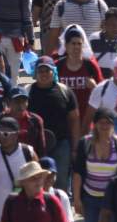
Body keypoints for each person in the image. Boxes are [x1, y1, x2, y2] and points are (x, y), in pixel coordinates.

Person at [27, 57, 79, 191]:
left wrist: (74, 147)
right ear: (35, 73)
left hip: (61, 145)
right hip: (35, 145)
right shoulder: (27, 92)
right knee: (35, 182)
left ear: (54, 72)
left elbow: (74, 119)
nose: (44, 73)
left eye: (47, 70)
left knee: (60, 183)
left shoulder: (65, 91)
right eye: (40, 71)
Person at [72, 107, 117, 222]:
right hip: (89, 198)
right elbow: (78, 173)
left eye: (108, 122)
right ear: (95, 124)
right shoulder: (85, 143)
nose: (105, 126)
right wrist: (77, 199)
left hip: (112, 199)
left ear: (113, 124)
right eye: (101, 122)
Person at [1, 159, 69, 222]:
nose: (38, 181)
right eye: (33, 178)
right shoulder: (11, 201)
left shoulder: (52, 201)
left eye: (40, 177)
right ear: (23, 182)